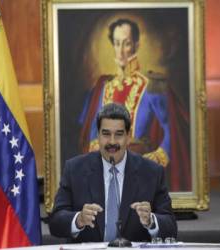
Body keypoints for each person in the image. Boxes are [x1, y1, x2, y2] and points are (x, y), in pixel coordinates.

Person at [79, 18, 191, 191]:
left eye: (127, 44)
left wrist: (155, 160)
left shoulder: (153, 86)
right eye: (117, 44)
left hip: (140, 171)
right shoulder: (103, 87)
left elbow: (172, 132)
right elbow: (93, 136)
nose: (121, 51)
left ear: (136, 45)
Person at [49, 103, 177, 243]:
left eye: (119, 135)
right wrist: (78, 219)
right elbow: (55, 222)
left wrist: (151, 221)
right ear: (97, 135)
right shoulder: (75, 169)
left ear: (128, 137)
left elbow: (171, 227)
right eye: (106, 134)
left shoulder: (152, 172)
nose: (112, 142)